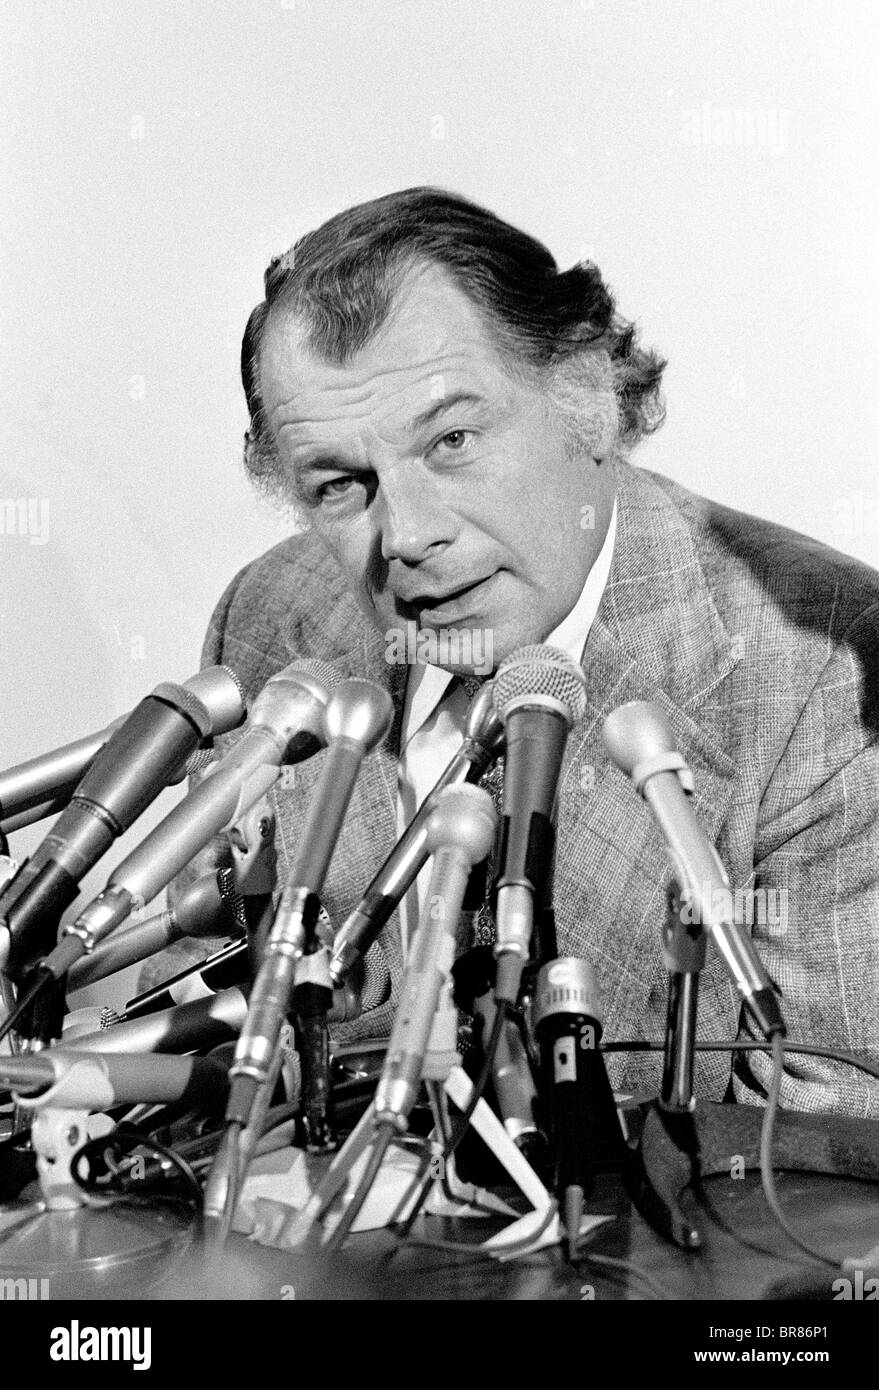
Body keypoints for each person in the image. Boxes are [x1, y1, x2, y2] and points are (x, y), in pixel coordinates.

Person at [157, 187, 879, 1117]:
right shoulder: (272, 615)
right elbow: (210, 987)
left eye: (452, 440)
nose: (408, 535)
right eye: (341, 486)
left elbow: (821, 1155)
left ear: (585, 399)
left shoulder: (828, 672)